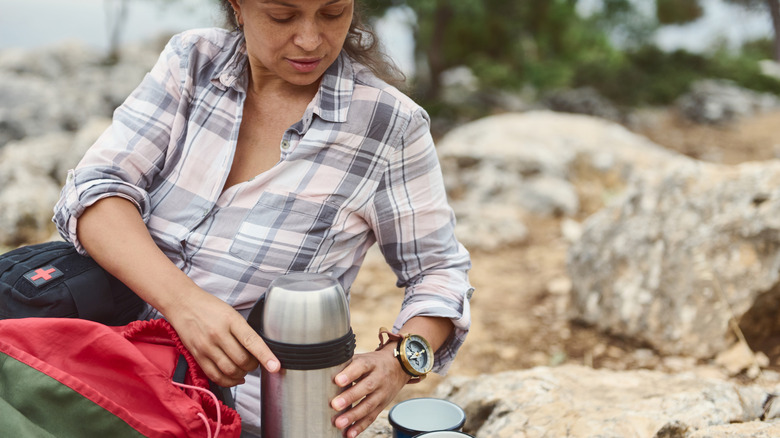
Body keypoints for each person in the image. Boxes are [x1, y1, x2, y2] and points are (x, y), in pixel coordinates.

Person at [53, 0, 473, 436]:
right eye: (282, 16)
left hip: (242, 415)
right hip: (92, 369)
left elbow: (439, 272)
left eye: (332, 13)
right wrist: (186, 305)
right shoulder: (192, 60)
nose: (310, 39)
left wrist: (400, 361)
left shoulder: (389, 126)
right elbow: (95, 190)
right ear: (237, 6)